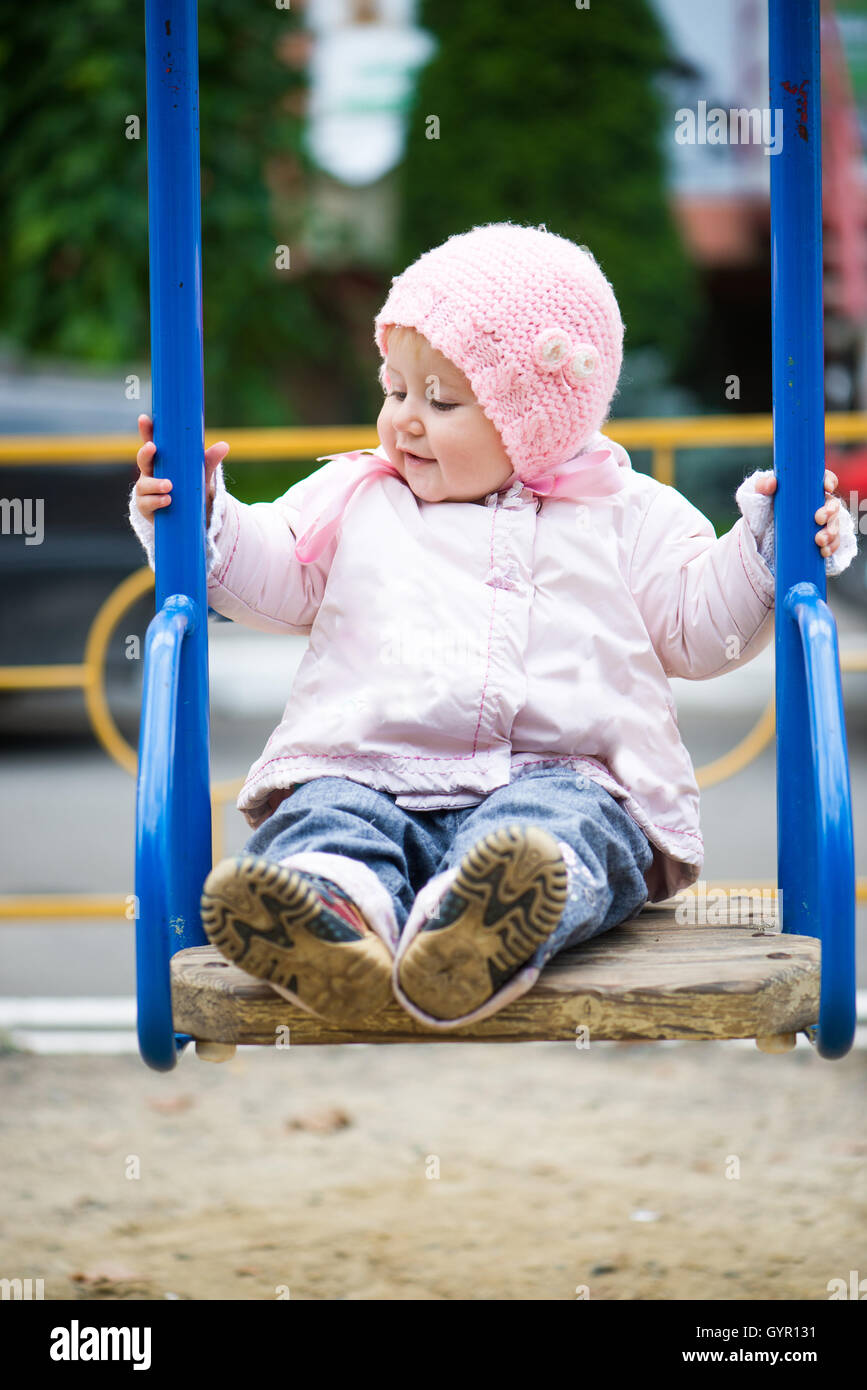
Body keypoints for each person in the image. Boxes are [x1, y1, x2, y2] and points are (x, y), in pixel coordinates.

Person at [129, 221, 857, 1033]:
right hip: (371, 769)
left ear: (536, 420)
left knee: (568, 829)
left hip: (563, 772)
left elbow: (698, 626)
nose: (403, 420)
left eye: (439, 401)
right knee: (325, 815)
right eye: (394, 389)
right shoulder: (358, 499)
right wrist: (201, 521)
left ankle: (481, 925)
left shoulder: (624, 513)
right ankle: (323, 917)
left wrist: (767, 544)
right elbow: (267, 573)